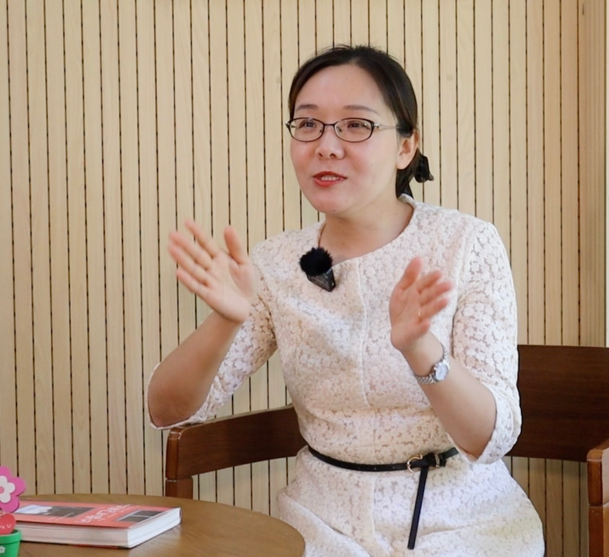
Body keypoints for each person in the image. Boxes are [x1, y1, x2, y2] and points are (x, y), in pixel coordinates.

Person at [147, 44, 544, 557]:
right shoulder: (275, 262)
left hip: (462, 522)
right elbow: (167, 410)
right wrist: (224, 322)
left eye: (356, 125)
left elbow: (492, 437)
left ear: (406, 146)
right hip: (322, 523)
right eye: (308, 124)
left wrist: (421, 350)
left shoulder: (466, 244)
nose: (327, 147)